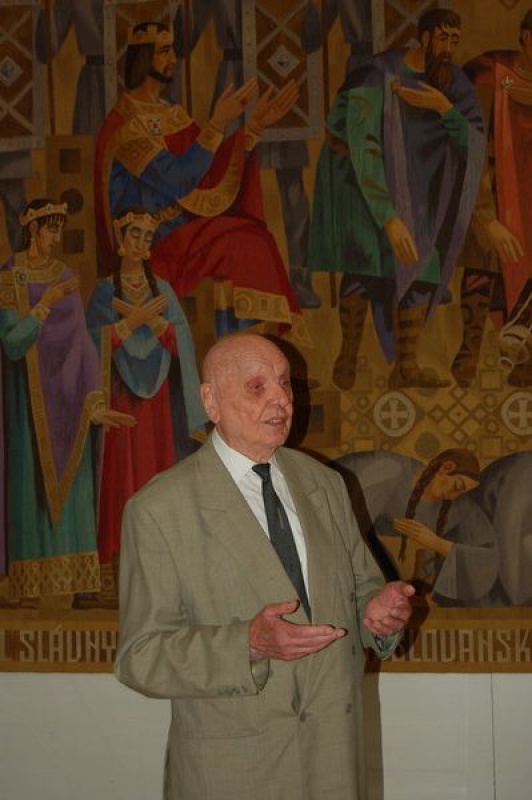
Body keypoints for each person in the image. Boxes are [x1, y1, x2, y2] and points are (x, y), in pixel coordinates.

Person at [115, 331, 414, 799]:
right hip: (233, 774)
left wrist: (377, 613)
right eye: (258, 387)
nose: (282, 400)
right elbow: (140, 656)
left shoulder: (325, 484)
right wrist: (247, 644)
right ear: (211, 401)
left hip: (333, 763)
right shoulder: (159, 508)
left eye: (285, 383)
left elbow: (360, 591)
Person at [94, 21, 307, 342]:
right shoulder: (125, 126)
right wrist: (218, 122)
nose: (173, 58)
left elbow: (208, 171)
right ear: (143, 57)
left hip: (186, 230)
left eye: (172, 50)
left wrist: (254, 128)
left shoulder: (170, 111)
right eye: (164, 51)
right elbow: (178, 178)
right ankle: (238, 347)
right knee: (246, 244)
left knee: (255, 237)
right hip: (151, 245)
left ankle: (250, 345)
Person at [308, 8, 485, 390]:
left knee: (423, 262)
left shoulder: (452, 82)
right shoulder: (376, 75)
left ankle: (406, 366)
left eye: (455, 40)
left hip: (417, 187)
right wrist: (388, 217)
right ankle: (348, 354)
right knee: (366, 260)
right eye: (443, 38)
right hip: (359, 178)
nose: (449, 48)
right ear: (425, 37)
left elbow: (474, 141)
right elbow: (364, 147)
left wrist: (443, 108)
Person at [0, 199, 133, 604]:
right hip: (27, 407)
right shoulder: (10, 275)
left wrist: (94, 404)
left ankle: (74, 585)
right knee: (30, 490)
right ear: (33, 230)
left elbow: (81, 346)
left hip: (70, 403)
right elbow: (12, 343)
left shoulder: (66, 277)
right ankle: (27, 588)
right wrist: (44, 303)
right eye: (52, 230)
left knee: (72, 489)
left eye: (59, 230)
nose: (56, 239)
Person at [86, 208, 206, 574]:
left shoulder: (163, 291)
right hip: (121, 397)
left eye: (147, 237)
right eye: (135, 234)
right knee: (120, 479)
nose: (141, 243)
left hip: (158, 404)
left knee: (159, 475)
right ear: (120, 242)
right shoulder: (104, 292)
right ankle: (117, 563)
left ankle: (163, 561)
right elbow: (90, 346)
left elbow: (182, 341)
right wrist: (128, 325)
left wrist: (155, 324)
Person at [454, 9, 532, 387]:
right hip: (491, 192)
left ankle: (524, 354)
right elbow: (468, 146)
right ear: (526, 38)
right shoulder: (490, 73)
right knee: (484, 255)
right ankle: (470, 348)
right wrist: (486, 216)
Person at [335, 449, 498, 606]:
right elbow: (347, 530)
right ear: (446, 467)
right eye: (456, 486)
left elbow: (486, 560)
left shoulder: (455, 510)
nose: (453, 496)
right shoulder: (389, 469)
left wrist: (436, 543)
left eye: (460, 494)